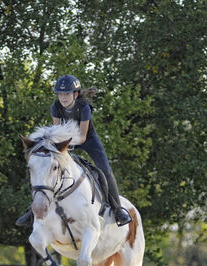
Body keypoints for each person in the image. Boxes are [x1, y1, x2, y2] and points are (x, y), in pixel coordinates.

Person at [16, 75, 132, 227]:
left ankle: (117, 209)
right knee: (46, 167)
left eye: (66, 94)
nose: (63, 98)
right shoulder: (55, 107)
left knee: (105, 168)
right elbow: (57, 132)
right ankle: (32, 212)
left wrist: (66, 144)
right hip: (65, 140)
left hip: (87, 140)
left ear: (75, 94)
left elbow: (82, 137)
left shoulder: (84, 107)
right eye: (60, 94)